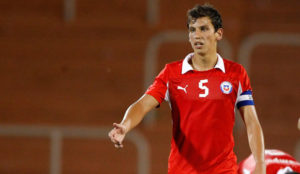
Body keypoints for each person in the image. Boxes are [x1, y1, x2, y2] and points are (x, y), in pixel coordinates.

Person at [108, 4, 266, 174]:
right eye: (192, 30)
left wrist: (260, 163)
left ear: (218, 34)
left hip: (223, 170)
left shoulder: (236, 73)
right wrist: (125, 125)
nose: (197, 35)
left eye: (204, 29)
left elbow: (251, 121)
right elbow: (142, 105)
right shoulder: (171, 73)